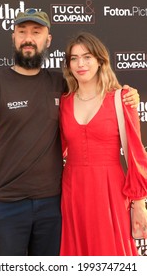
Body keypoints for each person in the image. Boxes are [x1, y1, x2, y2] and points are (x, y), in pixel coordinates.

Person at [0, 9, 139, 256]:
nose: (28, 38)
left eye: (36, 32)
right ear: (13, 37)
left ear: (48, 40)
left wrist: (130, 94)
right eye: (22, 32)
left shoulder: (59, 85)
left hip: (57, 204)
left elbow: (96, 95)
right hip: (11, 203)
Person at [59, 32, 147, 256]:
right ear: (68, 65)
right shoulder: (64, 103)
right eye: (74, 58)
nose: (81, 64)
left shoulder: (122, 98)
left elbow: (136, 155)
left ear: (100, 60)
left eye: (87, 57)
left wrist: (139, 203)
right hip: (73, 190)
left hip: (110, 190)